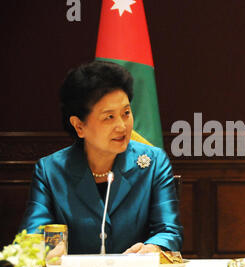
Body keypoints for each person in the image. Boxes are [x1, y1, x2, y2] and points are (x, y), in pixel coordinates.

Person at [19, 61, 183, 254]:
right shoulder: (50, 171)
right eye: (109, 117)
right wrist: (47, 248)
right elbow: (33, 233)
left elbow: (169, 230)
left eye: (126, 113)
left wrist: (153, 247)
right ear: (79, 126)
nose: (122, 126)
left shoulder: (154, 163)